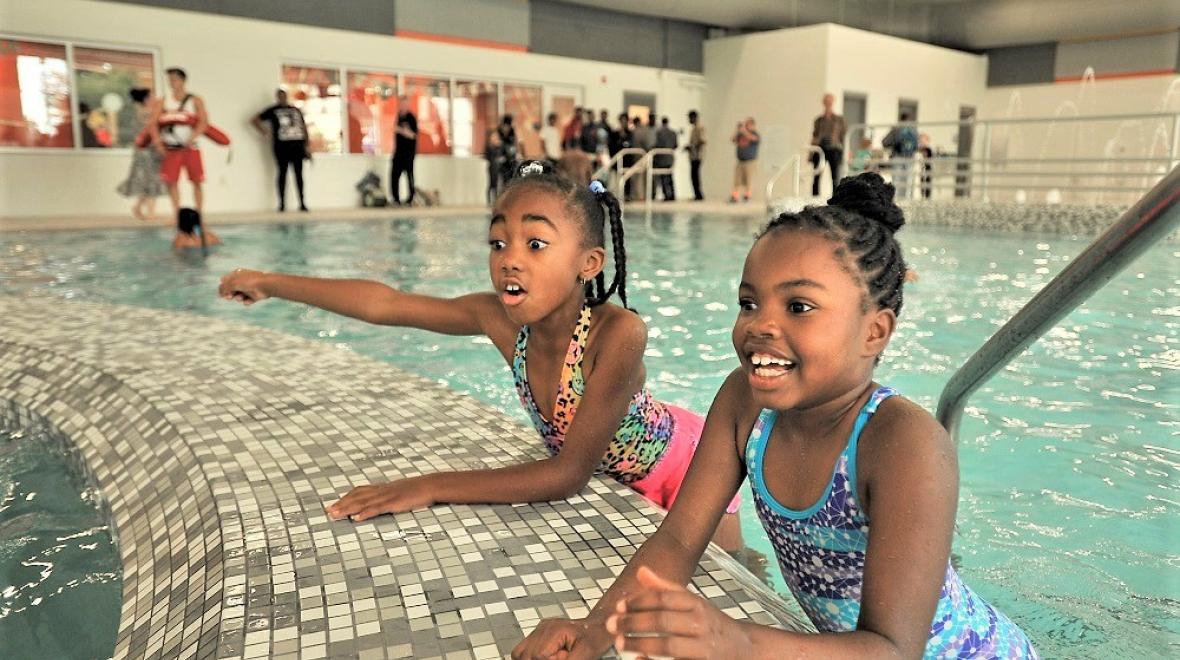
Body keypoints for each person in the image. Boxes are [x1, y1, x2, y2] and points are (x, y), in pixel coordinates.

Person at [513, 173, 1039, 660]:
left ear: (874, 332)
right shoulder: (746, 403)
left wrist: (735, 638)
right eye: (748, 303)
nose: (760, 325)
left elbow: (891, 649)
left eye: (798, 307)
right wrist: (595, 630)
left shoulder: (904, 443)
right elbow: (677, 541)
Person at [218, 161, 744, 550]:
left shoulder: (618, 333)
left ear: (588, 263)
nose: (510, 259)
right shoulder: (498, 319)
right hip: (620, 474)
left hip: (688, 469)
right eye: (498, 243)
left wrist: (427, 486)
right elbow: (387, 304)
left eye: (535, 244)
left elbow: (567, 474)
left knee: (738, 581)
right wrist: (272, 282)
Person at [149, 67, 209, 221]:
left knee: (197, 180)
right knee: (172, 182)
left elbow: (203, 122)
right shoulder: (163, 101)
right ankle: (177, 214)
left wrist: (193, 137)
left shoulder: (195, 100)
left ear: (183, 80)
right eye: (169, 79)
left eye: (174, 79)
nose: (171, 82)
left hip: (191, 148)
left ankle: (199, 213)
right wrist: (158, 143)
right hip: (171, 149)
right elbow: (153, 124)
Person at [252, 89, 310, 212]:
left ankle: (302, 203)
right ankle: (282, 204)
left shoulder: (295, 110)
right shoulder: (273, 110)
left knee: (299, 174)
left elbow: (303, 127)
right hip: (282, 147)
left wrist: (307, 145)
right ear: (277, 97)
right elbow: (254, 120)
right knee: (282, 173)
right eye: (280, 96)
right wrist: (264, 132)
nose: (282, 98)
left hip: (297, 146)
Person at [116, 88, 166, 220]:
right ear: (146, 99)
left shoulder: (142, 111)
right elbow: (152, 127)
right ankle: (150, 212)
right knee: (151, 181)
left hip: (147, 151)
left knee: (148, 181)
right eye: (152, 96)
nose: (155, 98)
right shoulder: (147, 113)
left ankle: (138, 207)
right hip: (147, 151)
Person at [811, 92, 847, 196]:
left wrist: (845, 151)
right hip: (820, 149)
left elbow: (843, 137)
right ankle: (815, 198)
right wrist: (810, 154)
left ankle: (835, 198)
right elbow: (814, 136)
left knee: (835, 176)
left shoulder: (839, 120)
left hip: (834, 149)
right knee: (816, 176)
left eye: (829, 102)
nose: (828, 104)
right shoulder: (818, 120)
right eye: (826, 102)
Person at [882, 113, 919, 201]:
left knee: (897, 181)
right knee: (908, 181)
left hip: (897, 157)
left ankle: (897, 202)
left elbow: (885, 142)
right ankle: (907, 201)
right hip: (910, 158)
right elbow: (916, 146)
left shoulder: (896, 129)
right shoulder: (913, 130)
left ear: (900, 119)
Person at [390, 95, 418, 206]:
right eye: (401, 103)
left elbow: (413, 135)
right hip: (398, 152)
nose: (403, 106)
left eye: (405, 103)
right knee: (394, 175)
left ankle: (410, 199)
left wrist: (400, 130)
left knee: (409, 175)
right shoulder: (399, 117)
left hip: (408, 153)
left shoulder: (411, 118)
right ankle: (396, 199)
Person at [730, 117, 760, 203]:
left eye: (748, 124)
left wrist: (743, 130)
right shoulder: (741, 134)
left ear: (752, 125)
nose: (746, 125)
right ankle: (734, 196)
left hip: (749, 162)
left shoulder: (755, 134)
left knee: (749, 180)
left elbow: (752, 138)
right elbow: (733, 139)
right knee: (737, 180)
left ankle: (747, 197)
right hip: (740, 161)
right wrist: (737, 130)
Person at [653, 116, 678, 201]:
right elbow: (675, 145)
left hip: (662, 158)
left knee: (663, 178)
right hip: (670, 158)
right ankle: (672, 195)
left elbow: (658, 144)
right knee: (670, 177)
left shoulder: (659, 132)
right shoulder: (673, 132)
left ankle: (666, 195)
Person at [685, 110, 706, 201]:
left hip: (697, 156)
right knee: (694, 176)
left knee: (695, 176)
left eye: (690, 118)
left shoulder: (699, 128)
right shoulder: (694, 128)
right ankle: (697, 194)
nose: (689, 120)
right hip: (694, 155)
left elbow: (702, 141)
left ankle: (699, 195)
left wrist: (692, 147)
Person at [918, 133, 934, 199]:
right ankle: (922, 195)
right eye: (921, 140)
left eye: (923, 140)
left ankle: (927, 196)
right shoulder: (919, 149)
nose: (922, 142)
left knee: (928, 182)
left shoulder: (929, 149)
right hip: (922, 169)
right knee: (922, 182)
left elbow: (929, 159)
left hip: (928, 169)